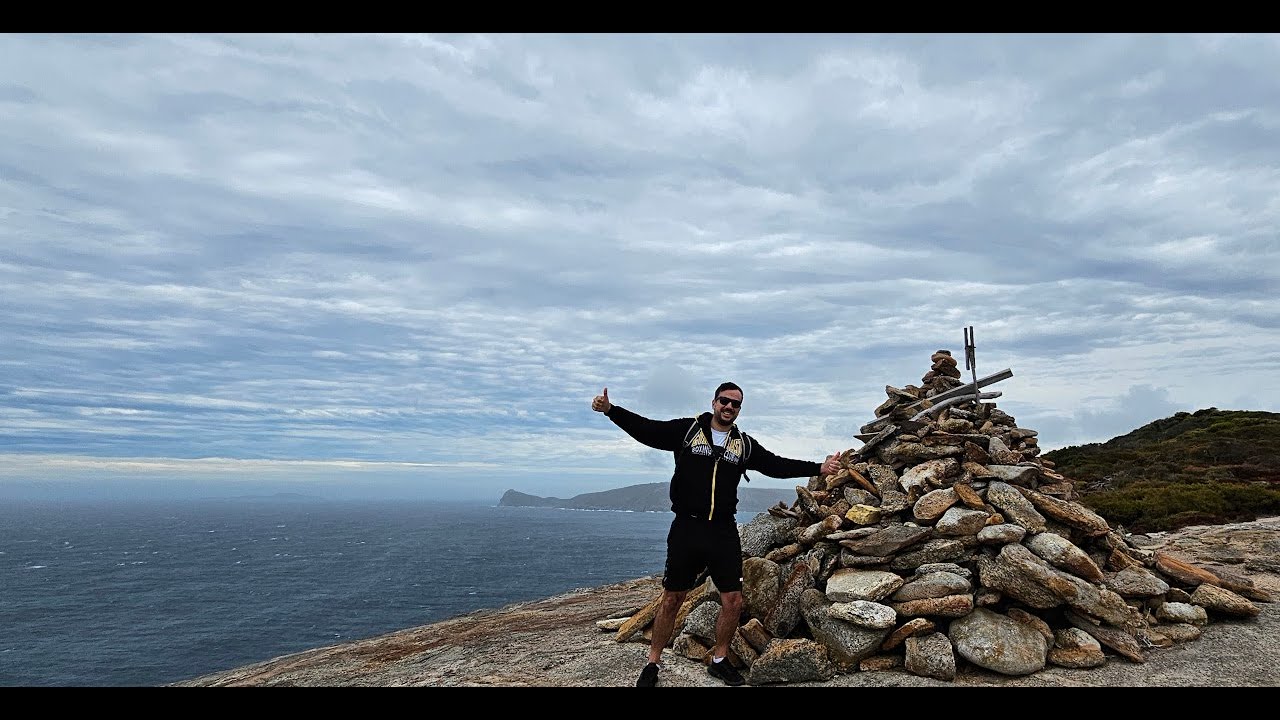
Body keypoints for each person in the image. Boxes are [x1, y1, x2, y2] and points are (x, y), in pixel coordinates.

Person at [591, 382, 841, 687]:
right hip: (687, 527)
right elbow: (647, 429)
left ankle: (719, 660)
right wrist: (611, 411)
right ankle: (652, 663)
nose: (729, 407)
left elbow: (775, 465)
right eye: (725, 401)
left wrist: (819, 466)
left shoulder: (744, 445)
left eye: (736, 404)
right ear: (714, 402)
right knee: (672, 599)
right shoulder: (687, 431)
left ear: (739, 409)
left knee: (733, 600)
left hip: (722, 529)